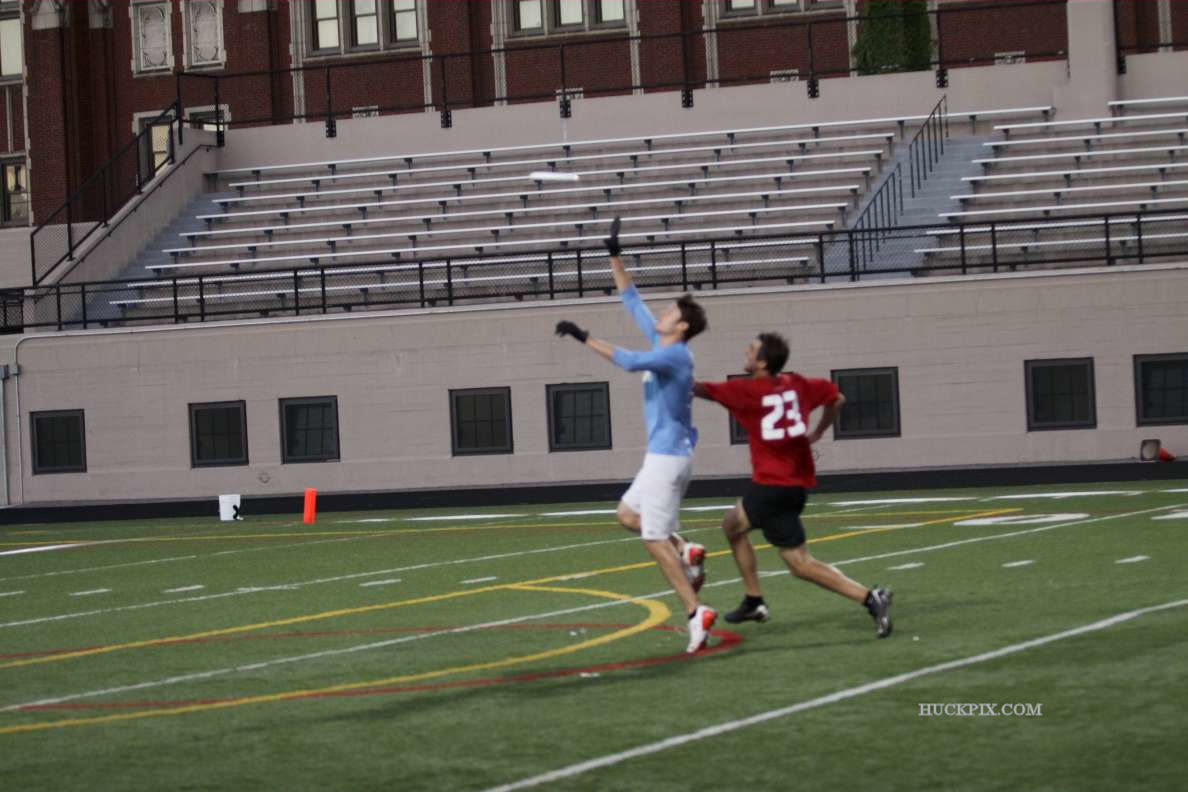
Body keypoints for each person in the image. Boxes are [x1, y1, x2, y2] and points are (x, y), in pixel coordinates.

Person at [554, 217, 716, 653]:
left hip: (669, 459)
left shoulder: (675, 357)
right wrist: (613, 253)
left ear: (682, 327)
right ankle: (686, 548)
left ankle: (695, 612)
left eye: (670, 313)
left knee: (651, 539)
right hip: (661, 457)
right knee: (628, 515)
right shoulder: (665, 343)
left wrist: (584, 336)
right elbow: (631, 299)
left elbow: (627, 361)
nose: (662, 314)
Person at [693, 332, 893, 638]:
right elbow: (837, 399)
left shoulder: (746, 391)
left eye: (751, 350)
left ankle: (868, 598)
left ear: (763, 362)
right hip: (795, 485)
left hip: (771, 486)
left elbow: (697, 388)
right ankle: (754, 600)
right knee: (736, 528)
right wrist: (820, 431)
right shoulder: (798, 385)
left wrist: (663, 365)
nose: (746, 352)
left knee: (798, 563)